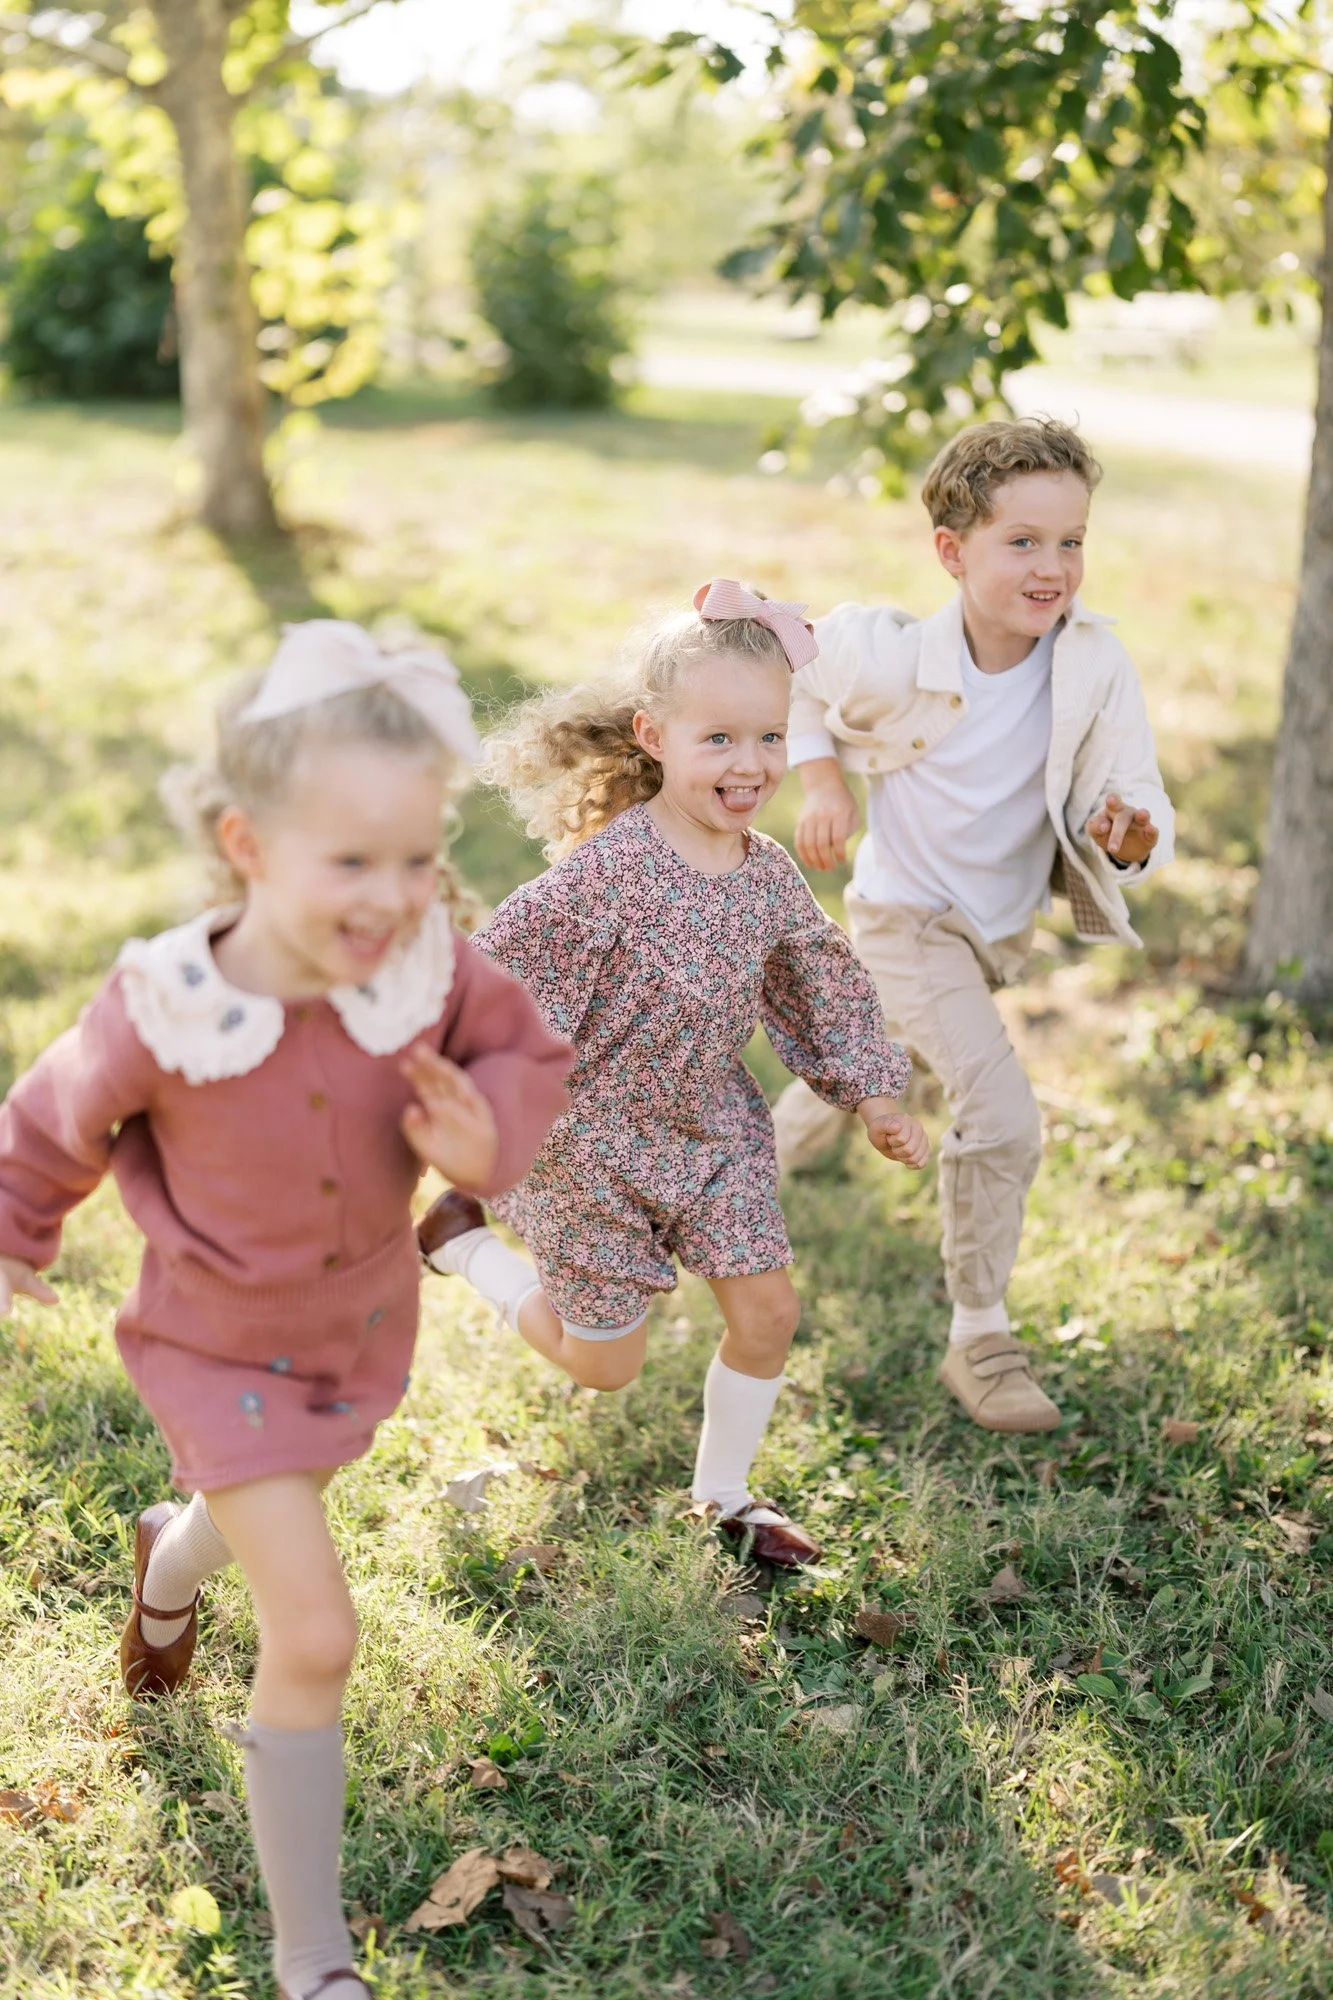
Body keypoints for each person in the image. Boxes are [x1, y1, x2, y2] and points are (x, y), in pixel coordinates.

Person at [0, 621, 571, 2000]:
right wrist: (15, 1231)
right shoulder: (171, 1003)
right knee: (313, 1632)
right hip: (209, 1344)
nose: (394, 897)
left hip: (355, 1332)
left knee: (273, 1494)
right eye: (352, 863)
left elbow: (521, 1050)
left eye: (420, 860)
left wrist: (482, 1133)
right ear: (248, 843)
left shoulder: (425, 965)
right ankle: (312, 1958)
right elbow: (49, 1118)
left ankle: (170, 1557)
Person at [418, 580, 927, 1566]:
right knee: (605, 1364)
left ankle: (723, 1496)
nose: (751, 765)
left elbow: (817, 981)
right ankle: (460, 1244)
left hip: (708, 1128)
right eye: (720, 740)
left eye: (770, 738)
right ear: (654, 735)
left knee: (769, 1309)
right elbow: (502, 978)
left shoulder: (769, 871)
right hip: (585, 1140)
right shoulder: (608, 871)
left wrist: (870, 1091)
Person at [772, 418, 1174, 1435]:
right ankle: (979, 1339)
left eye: (1071, 540)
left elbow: (1133, 800)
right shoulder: (890, 651)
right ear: (952, 552)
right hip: (904, 916)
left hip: (992, 934)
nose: (1054, 567)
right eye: (1023, 541)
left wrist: (1125, 834)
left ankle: (753, 1163)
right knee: (999, 1116)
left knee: (868, 1056)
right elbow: (793, 677)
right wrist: (820, 778)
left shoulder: (1094, 665)